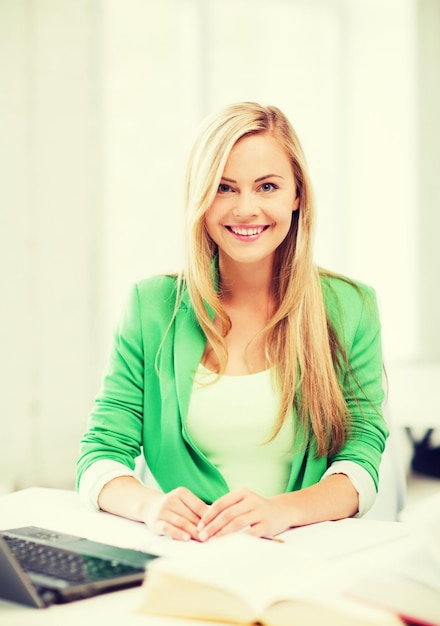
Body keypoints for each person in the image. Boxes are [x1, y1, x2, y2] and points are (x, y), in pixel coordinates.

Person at [76, 101, 389, 542]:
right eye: (224, 188)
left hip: (304, 555)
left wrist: (282, 511)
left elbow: (361, 460)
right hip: (189, 556)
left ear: (297, 194)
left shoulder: (351, 306)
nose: (246, 209)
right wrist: (150, 506)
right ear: (200, 198)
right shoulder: (152, 306)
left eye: (267, 186)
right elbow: (100, 455)